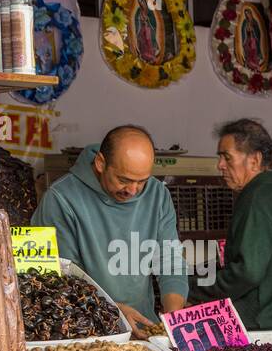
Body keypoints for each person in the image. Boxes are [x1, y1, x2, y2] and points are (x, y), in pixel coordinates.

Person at [31, 124, 186, 338]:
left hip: (144, 329)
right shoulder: (60, 199)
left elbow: (170, 261)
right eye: (124, 180)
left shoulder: (157, 194)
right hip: (86, 331)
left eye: (141, 181)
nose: (132, 190)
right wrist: (112, 310)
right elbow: (59, 278)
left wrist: (174, 317)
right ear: (101, 163)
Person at [193, 118, 272, 335]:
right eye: (220, 157)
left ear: (255, 160)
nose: (220, 165)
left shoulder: (258, 199)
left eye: (226, 157)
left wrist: (194, 291)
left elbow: (248, 272)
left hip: (263, 324)